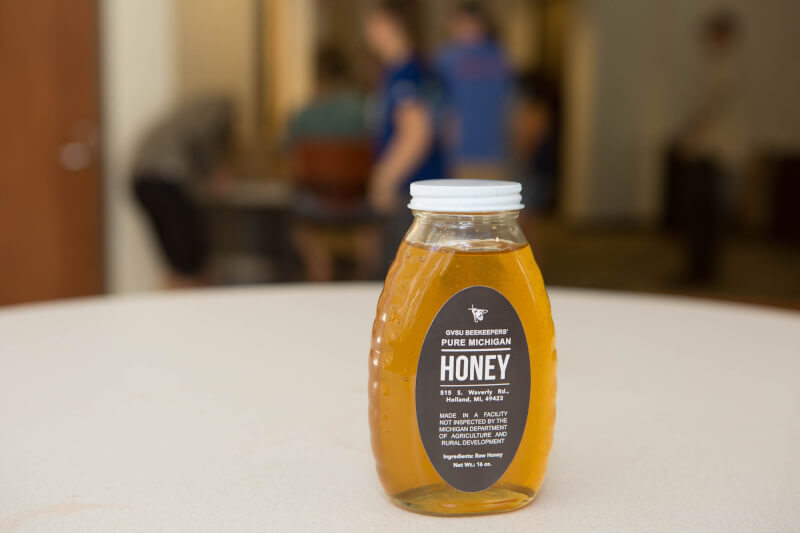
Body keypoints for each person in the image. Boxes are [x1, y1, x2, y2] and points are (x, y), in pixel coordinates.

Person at [363, 0, 447, 271]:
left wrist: (383, 180)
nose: (368, 31)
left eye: (374, 23)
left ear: (391, 24)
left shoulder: (403, 74)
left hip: (409, 197)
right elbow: (449, 129)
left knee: (401, 275)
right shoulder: (426, 71)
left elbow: (416, 134)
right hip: (430, 193)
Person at [286, 45, 378, 282]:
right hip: (359, 202)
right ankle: (367, 275)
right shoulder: (365, 110)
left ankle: (319, 265)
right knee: (375, 220)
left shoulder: (303, 114)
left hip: (316, 203)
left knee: (297, 212)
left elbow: (292, 163)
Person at [437, 1, 512, 180]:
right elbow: (436, 101)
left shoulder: (500, 57)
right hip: (457, 152)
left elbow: (511, 103)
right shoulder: (446, 58)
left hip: (494, 150)